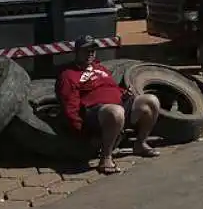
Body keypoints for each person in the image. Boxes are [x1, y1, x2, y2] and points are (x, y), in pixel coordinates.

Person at [56, 35, 161, 174]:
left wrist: (124, 95)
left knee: (151, 100)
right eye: (86, 50)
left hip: (118, 106)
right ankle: (105, 158)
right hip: (96, 112)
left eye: (93, 50)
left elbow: (111, 88)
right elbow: (70, 107)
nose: (90, 53)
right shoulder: (68, 75)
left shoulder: (101, 68)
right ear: (77, 52)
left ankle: (140, 144)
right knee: (115, 111)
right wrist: (83, 134)